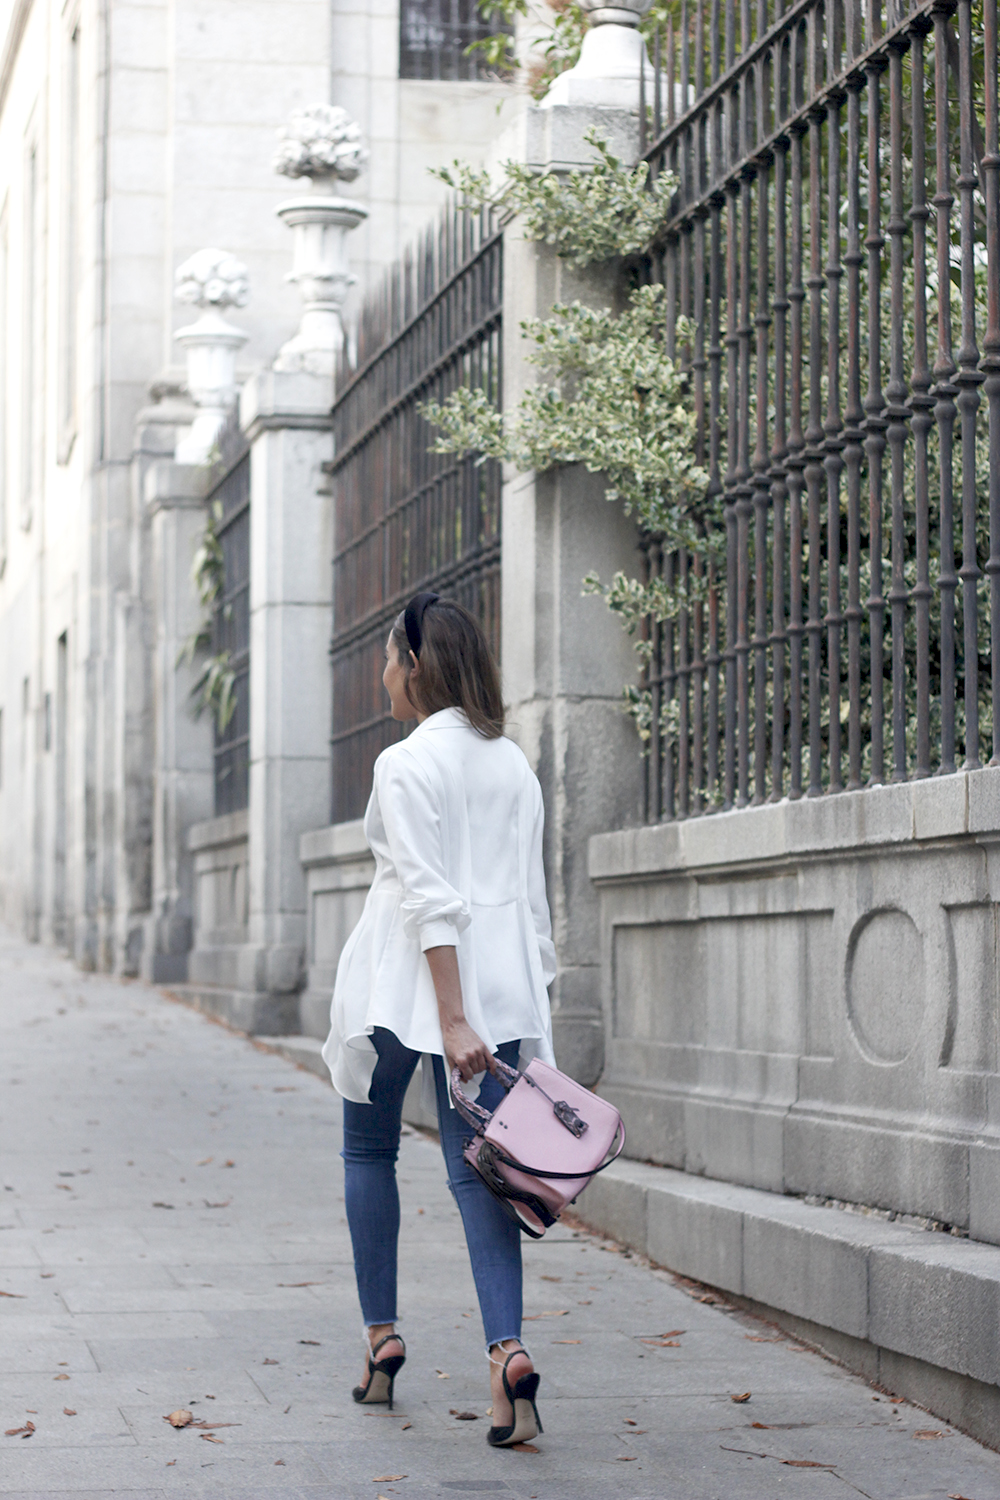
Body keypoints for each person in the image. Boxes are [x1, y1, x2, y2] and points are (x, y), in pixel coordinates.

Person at [321, 591, 557, 1448]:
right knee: (480, 1172)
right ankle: (508, 1358)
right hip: (499, 990)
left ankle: (381, 1341)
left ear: (414, 664)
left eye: (389, 657)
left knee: (366, 1148)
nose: (383, 673)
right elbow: (531, 906)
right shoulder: (514, 764)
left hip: (404, 988)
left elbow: (427, 900)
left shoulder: (404, 762)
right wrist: (520, 1009)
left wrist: (449, 1018)